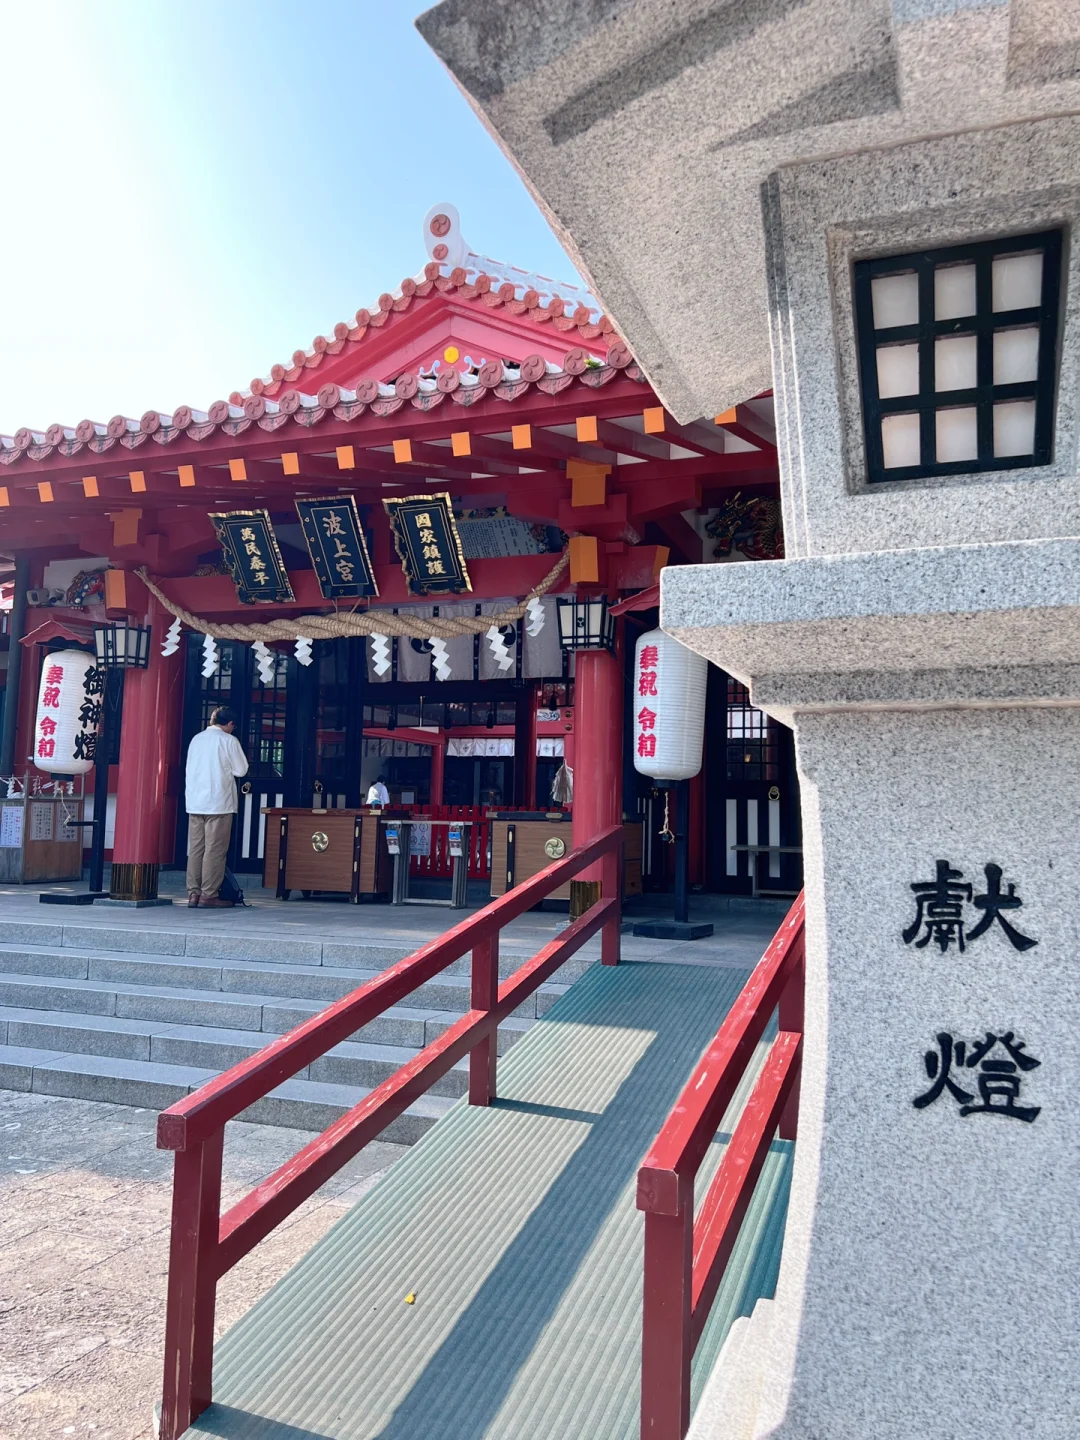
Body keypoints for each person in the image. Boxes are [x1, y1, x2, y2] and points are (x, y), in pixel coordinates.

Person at [185, 706, 248, 908]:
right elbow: (241, 770)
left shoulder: (197, 739)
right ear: (230, 724)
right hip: (219, 802)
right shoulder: (228, 740)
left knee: (196, 849)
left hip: (195, 801)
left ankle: (193, 894)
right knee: (215, 850)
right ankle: (208, 894)